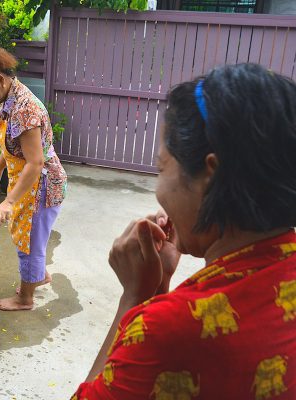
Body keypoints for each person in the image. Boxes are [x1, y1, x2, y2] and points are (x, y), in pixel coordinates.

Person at [73, 63, 296, 399]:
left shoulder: (164, 331)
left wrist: (134, 299)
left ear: (210, 175)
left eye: (162, 167)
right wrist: (161, 284)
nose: (158, 189)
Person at [0, 45, 67, 311]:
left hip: (41, 184)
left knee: (30, 239)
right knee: (33, 236)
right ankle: (39, 276)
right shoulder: (9, 99)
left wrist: (9, 202)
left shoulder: (25, 109)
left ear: (0, 79)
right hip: (29, 180)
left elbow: (35, 163)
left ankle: (25, 298)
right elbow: (15, 145)